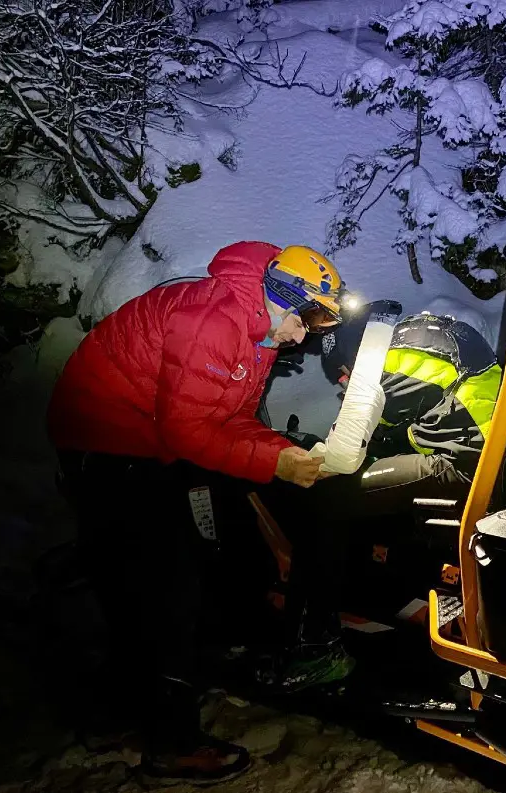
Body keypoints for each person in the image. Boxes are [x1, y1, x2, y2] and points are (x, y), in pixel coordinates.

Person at [48, 241, 347, 784]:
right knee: (166, 585)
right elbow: (187, 432)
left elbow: (227, 418)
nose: (305, 336)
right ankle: (169, 745)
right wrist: (276, 467)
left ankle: (111, 716)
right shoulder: (215, 320)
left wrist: (281, 451)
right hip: (110, 441)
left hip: (142, 440)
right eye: (306, 319)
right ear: (281, 297)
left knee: (149, 578)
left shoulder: (254, 328)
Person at [259, 303, 501, 686]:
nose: (342, 382)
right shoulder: (422, 339)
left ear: (357, 354)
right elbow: (426, 411)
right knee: (373, 466)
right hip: (486, 453)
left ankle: (317, 647)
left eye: (342, 372)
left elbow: (341, 455)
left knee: (326, 499)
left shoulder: (382, 369)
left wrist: (302, 464)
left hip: (459, 468)